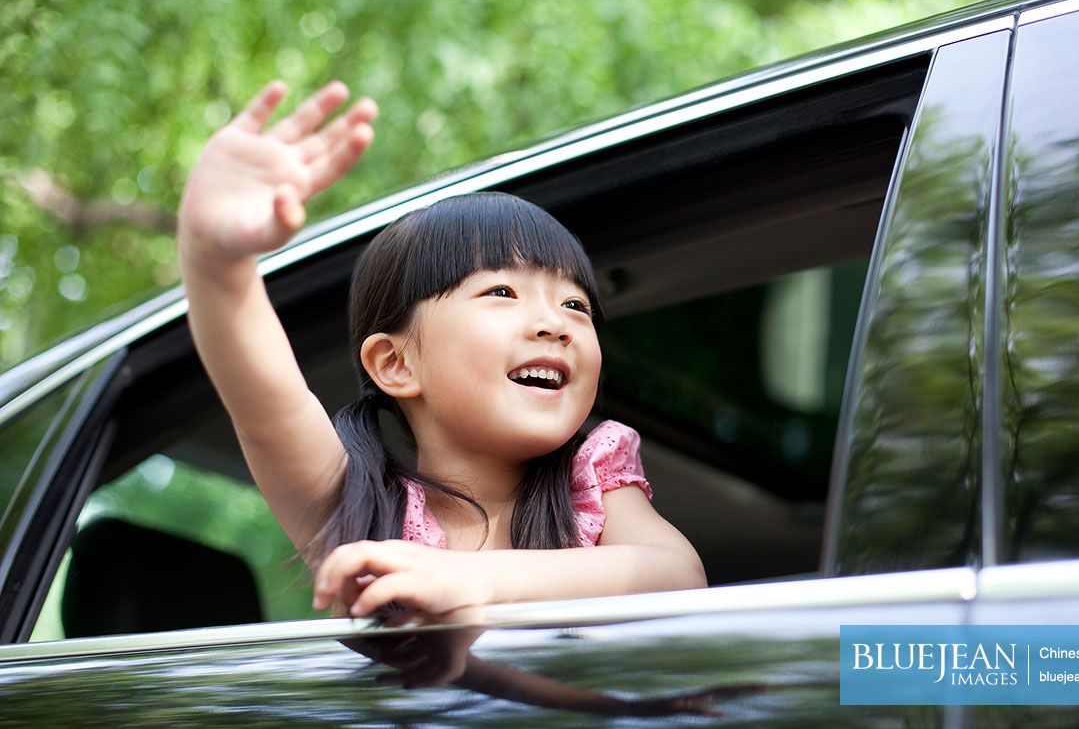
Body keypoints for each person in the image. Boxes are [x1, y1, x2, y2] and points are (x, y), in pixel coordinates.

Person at [177, 81, 706, 621]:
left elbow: (677, 575)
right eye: (502, 292)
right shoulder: (361, 510)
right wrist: (214, 263)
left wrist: (472, 579)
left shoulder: (591, 482)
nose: (555, 323)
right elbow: (266, 403)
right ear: (396, 363)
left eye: (575, 304)